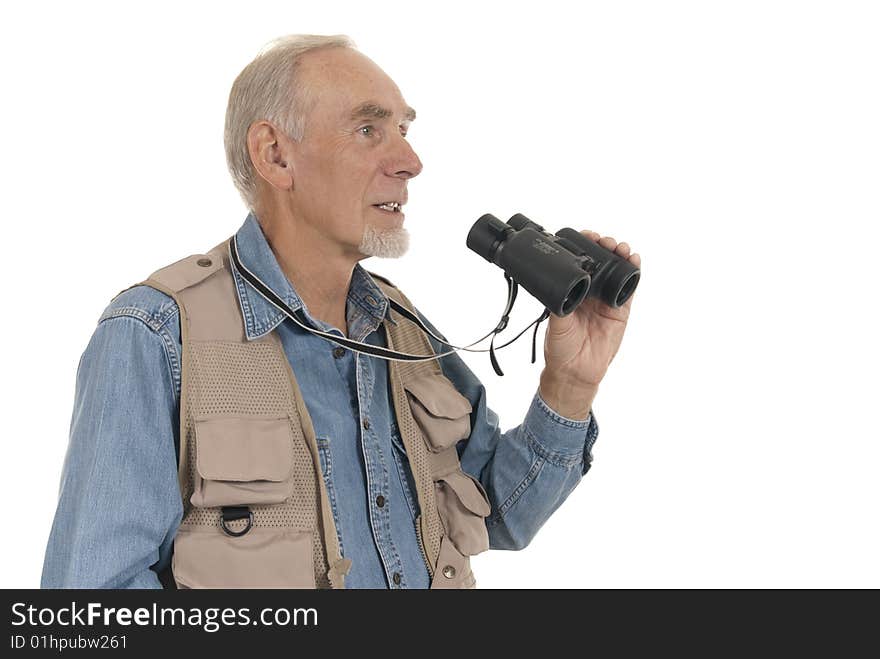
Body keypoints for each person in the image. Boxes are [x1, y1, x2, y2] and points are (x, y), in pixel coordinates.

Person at [41, 34, 640, 589]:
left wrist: (570, 384)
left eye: (404, 129)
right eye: (367, 130)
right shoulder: (156, 335)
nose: (410, 160)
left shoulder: (400, 330)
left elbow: (499, 513)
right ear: (275, 156)